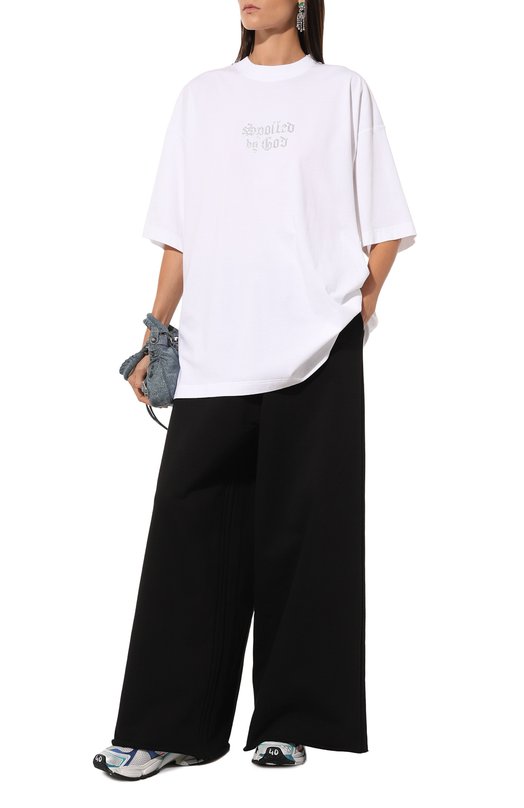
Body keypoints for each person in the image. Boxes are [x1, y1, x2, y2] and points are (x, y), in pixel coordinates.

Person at [93, 0, 416, 778]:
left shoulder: (342, 92)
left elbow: (385, 224)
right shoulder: (202, 97)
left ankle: (289, 721)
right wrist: (155, 332)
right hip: (217, 348)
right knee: (189, 537)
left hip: (317, 347)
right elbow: (180, 234)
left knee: (308, 538)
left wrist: (356, 306)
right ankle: (168, 728)